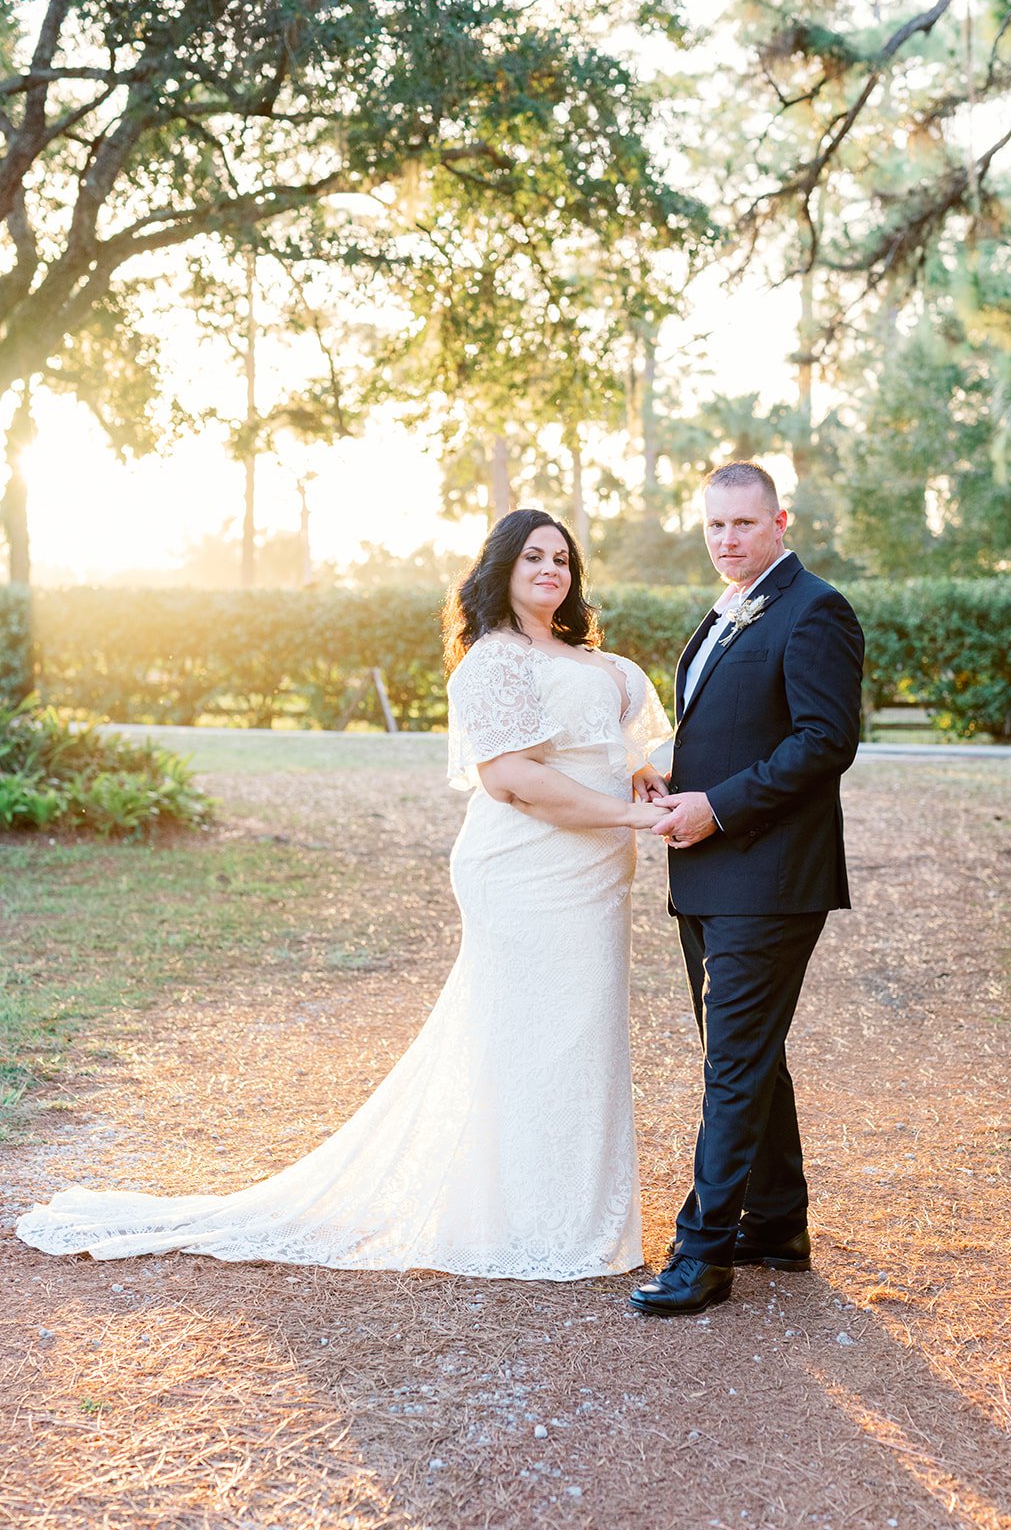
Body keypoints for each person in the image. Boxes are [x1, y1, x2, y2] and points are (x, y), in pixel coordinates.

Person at [16, 509, 672, 1282]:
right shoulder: (494, 662)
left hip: (596, 874)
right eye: (532, 556)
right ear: (501, 568)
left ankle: (574, 1209)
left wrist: (639, 779)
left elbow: (615, 744)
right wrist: (631, 813)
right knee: (530, 1034)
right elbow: (514, 780)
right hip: (526, 869)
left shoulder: (595, 660)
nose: (550, 569)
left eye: (562, 558)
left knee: (583, 1030)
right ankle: (521, 1219)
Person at [628, 462, 864, 1317]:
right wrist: (671, 783)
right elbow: (727, 728)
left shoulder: (815, 608)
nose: (727, 540)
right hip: (709, 873)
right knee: (748, 1058)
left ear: (779, 521)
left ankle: (704, 1255)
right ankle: (775, 1224)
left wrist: (718, 809)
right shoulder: (725, 612)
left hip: (767, 878)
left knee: (730, 1065)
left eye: (742, 524)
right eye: (714, 527)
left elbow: (824, 741)